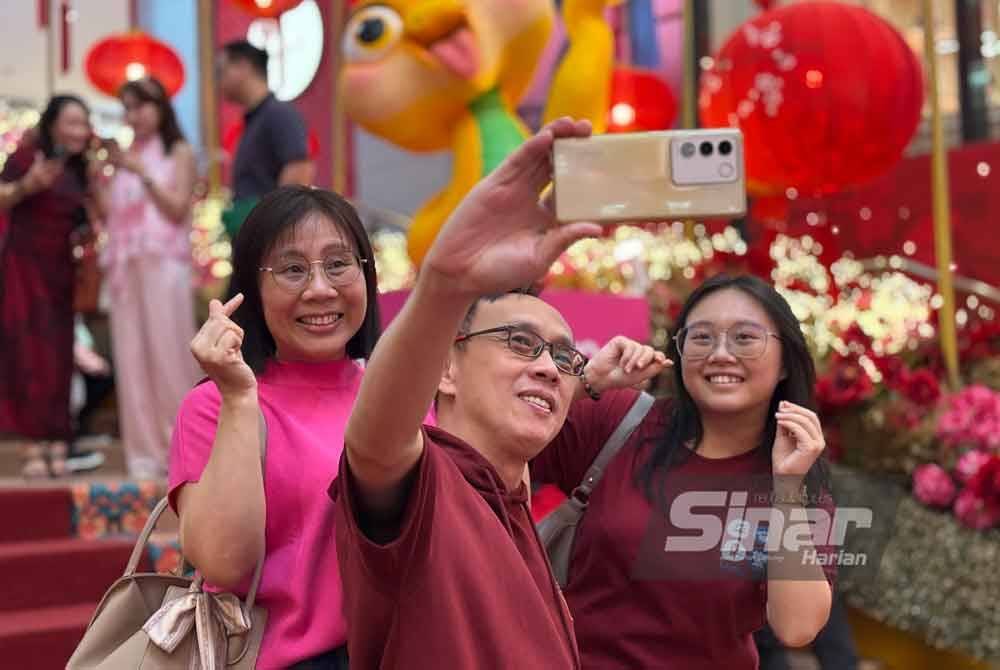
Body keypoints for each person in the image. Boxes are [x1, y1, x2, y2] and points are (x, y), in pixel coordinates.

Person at [329, 118, 668, 669]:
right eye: (520, 343)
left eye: (563, 357)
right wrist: (445, 282)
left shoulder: (511, 499)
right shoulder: (427, 486)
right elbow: (374, 441)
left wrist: (584, 382)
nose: (549, 369)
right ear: (446, 369)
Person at [531, 273, 836, 669]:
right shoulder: (619, 419)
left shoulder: (797, 479)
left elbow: (797, 628)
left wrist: (788, 487)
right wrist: (586, 383)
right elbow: (486, 447)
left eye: (745, 337)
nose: (720, 353)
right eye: (702, 337)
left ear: (784, 363)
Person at [168, 186, 380, 668]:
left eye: (339, 264)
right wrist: (239, 398)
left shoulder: (399, 395)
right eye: (292, 270)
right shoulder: (214, 405)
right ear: (251, 289)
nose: (320, 289)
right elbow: (223, 563)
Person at [98, 76, 200, 478]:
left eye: (140, 105)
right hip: (127, 266)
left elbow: (177, 208)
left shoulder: (178, 151)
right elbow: (109, 214)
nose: (133, 115)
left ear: (160, 107)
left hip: (164, 263)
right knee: (132, 358)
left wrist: (142, 172)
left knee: (169, 353)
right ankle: (143, 455)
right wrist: (99, 179)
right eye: (127, 107)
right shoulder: (125, 157)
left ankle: (183, 450)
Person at [0, 94, 96, 478]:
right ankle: (31, 445)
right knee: (28, 352)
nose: (78, 131)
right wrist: (28, 185)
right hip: (24, 266)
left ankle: (57, 441)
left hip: (62, 269)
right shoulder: (27, 157)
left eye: (83, 123)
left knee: (59, 356)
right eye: (71, 122)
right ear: (52, 124)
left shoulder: (81, 168)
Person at [218, 40, 314, 239]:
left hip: (268, 238)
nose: (219, 81)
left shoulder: (278, 113)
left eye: (222, 71)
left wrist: (274, 229)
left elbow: (299, 169)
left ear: (243, 66)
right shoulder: (255, 119)